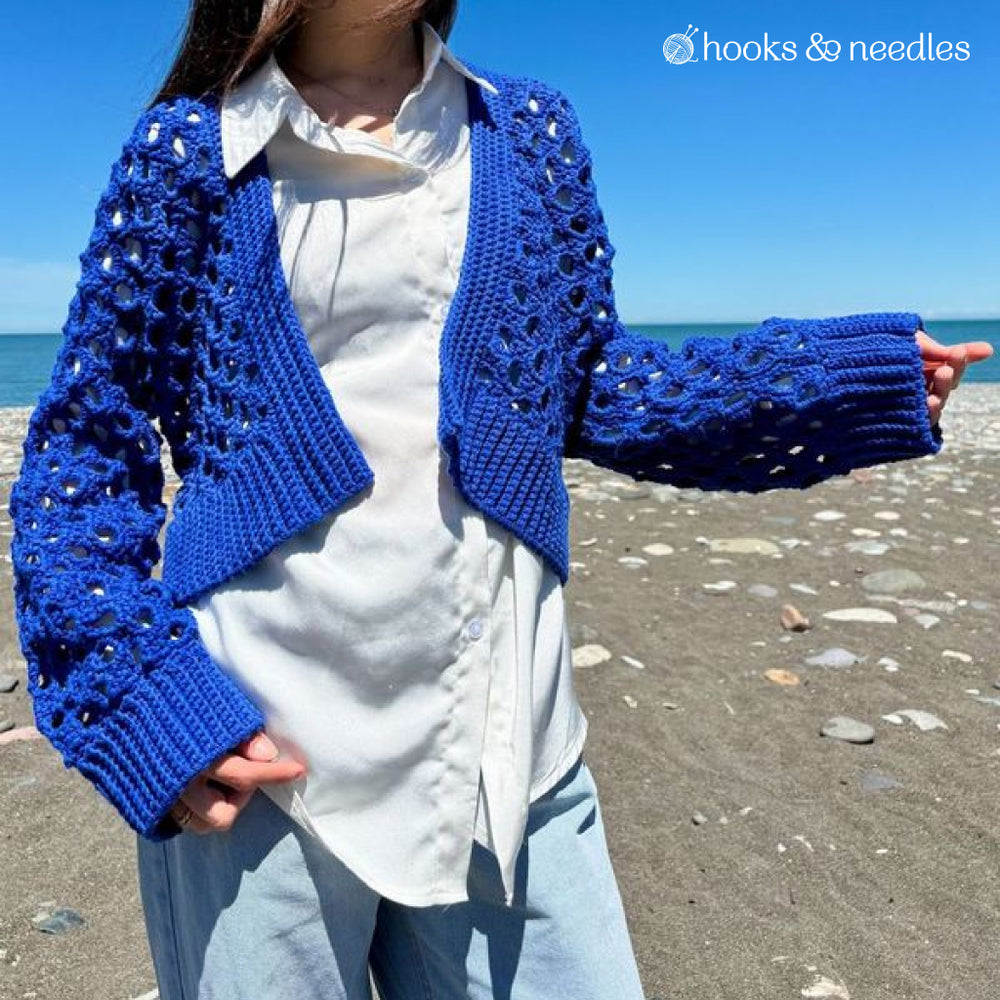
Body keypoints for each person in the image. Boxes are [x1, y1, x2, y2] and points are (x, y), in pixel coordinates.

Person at [6, 1, 992, 997]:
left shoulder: (530, 133)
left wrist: (830, 379)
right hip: (255, 746)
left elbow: (593, 382)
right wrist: (139, 701)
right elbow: (86, 447)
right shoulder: (185, 152)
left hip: (513, 740)